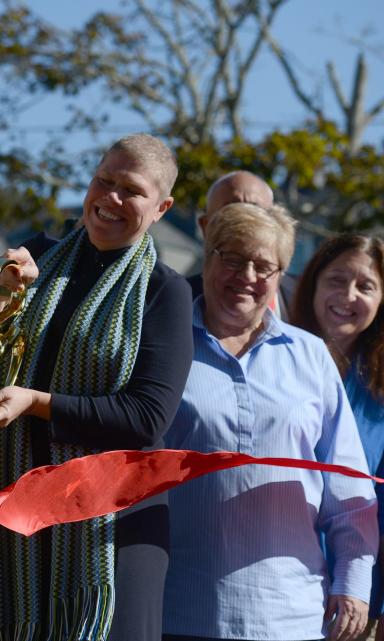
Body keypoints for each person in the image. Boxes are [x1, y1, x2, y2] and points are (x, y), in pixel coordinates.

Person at [0, 134, 194, 641]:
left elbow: (146, 417)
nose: (111, 199)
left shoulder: (166, 291)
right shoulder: (36, 259)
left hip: (113, 525)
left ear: (162, 207)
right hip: (21, 508)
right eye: (104, 181)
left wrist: (36, 403)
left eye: (132, 190)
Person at [163, 205, 377, 641]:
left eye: (263, 265)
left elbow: (351, 492)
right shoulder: (163, 344)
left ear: (280, 275)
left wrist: (353, 584)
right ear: (207, 260)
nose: (246, 274)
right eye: (233, 258)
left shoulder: (311, 354)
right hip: (180, 608)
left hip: (292, 615)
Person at [291, 234, 384, 635]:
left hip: (357, 595)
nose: (348, 295)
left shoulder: (380, 389)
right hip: (278, 582)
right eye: (336, 279)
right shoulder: (274, 361)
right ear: (312, 283)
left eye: (366, 286)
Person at [187, 171, 297, 318]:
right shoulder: (175, 301)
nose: (244, 223)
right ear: (205, 227)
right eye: (230, 213)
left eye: (255, 211)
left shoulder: (308, 297)